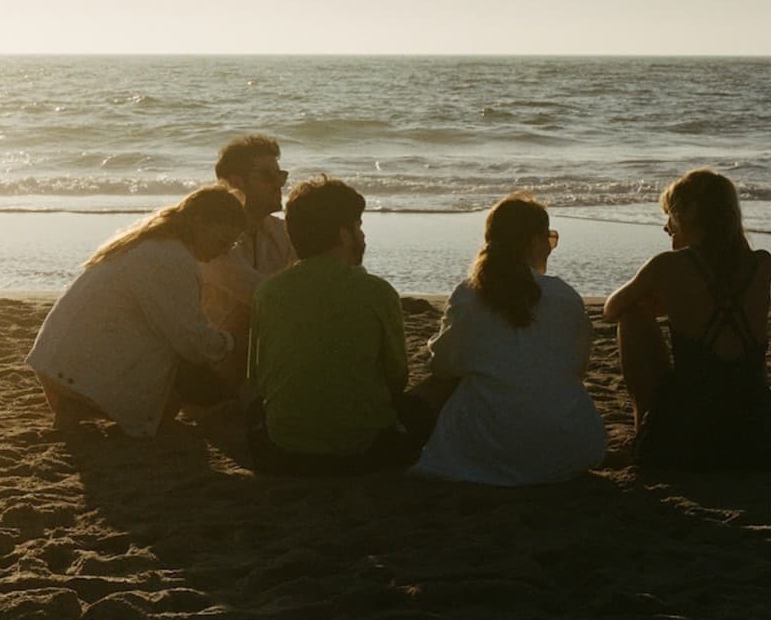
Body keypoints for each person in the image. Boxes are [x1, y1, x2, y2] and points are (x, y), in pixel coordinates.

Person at [603, 169, 771, 471]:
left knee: (632, 317)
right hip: (758, 428)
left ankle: (645, 432)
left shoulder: (669, 265)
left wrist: (656, 304)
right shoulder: (762, 263)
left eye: (670, 217)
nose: (667, 228)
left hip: (694, 428)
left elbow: (611, 308)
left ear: (687, 214)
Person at [412, 195, 606, 486]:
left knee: (445, 384)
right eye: (549, 238)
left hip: (485, 454)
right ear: (531, 242)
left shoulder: (469, 294)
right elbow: (578, 367)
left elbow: (442, 366)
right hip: (571, 450)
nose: (551, 248)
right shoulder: (565, 296)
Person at [27, 185, 246, 438]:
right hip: (75, 377)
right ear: (199, 222)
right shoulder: (171, 259)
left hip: (54, 364)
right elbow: (191, 342)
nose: (224, 252)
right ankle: (88, 404)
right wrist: (232, 344)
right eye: (222, 242)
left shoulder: (146, 242)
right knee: (204, 361)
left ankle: (79, 405)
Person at [247, 177, 431, 474]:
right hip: (362, 448)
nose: (362, 235)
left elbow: (257, 377)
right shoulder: (377, 291)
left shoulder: (268, 292)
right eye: (358, 226)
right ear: (344, 234)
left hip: (284, 449)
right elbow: (396, 377)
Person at [201, 135, 296, 354]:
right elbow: (263, 296)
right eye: (267, 176)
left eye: (280, 176)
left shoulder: (281, 231)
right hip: (216, 358)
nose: (278, 185)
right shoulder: (211, 237)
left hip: (267, 349)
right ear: (236, 183)